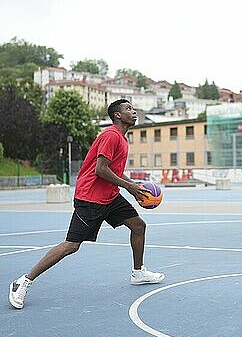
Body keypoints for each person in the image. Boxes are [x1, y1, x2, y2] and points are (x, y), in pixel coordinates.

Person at [9, 99, 165, 310]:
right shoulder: (110, 136)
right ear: (117, 115)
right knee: (71, 245)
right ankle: (23, 281)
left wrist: (131, 184)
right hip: (90, 198)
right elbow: (100, 170)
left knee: (138, 226)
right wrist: (129, 187)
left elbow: (113, 170)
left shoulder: (121, 138)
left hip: (109, 196)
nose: (134, 111)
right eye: (128, 108)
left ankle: (138, 272)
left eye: (133, 108)